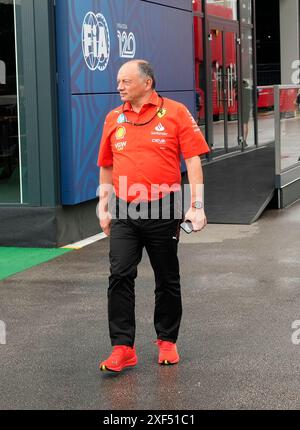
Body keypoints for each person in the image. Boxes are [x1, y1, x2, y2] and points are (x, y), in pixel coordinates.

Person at [97, 60, 210, 373]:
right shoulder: (113, 118)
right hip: (123, 209)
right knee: (119, 274)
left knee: (166, 276)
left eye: (125, 81)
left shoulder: (175, 113)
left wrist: (197, 206)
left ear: (147, 83)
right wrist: (103, 206)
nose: (119, 86)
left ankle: (167, 341)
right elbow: (106, 165)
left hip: (164, 207)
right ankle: (122, 347)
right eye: (118, 81)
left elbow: (193, 160)